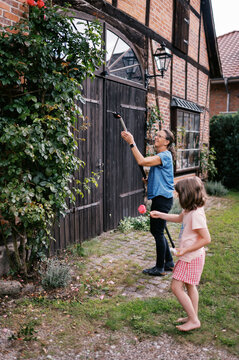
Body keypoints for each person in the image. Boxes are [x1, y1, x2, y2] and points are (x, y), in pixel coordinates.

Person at [150, 176, 211, 331]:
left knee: (176, 287)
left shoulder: (196, 214)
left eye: (178, 194)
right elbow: (178, 218)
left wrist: (185, 250)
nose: (176, 196)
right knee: (191, 286)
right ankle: (192, 316)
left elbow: (206, 239)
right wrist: (160, 214)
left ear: (187, 195)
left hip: (190, 257)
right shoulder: (190, 210)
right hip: (191, 256)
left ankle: (194, 320)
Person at [121, 128, 175, 276]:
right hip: (161, 198)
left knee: (157, 232)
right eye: (156, 135)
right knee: (158, 231)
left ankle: (159, 268)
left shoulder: (164, 155)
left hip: (162, 199)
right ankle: (169, 263)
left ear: (167, 142)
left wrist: (132, 143)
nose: (156, 137)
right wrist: (149, 180)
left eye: (160, 136)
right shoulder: (161, 156)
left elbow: (142, 161)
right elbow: (160, 177)